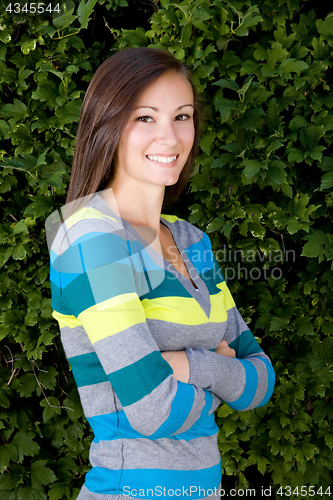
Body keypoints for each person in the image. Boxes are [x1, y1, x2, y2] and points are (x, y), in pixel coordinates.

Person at [48, 47, 275, 500]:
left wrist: (188, 366)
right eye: (146, 118)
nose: (170, 138)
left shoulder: (192, 241)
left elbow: (262, 380)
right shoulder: (89, 239)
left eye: (183, 116)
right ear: (109, 124)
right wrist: (223, 370)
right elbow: (152, 409)